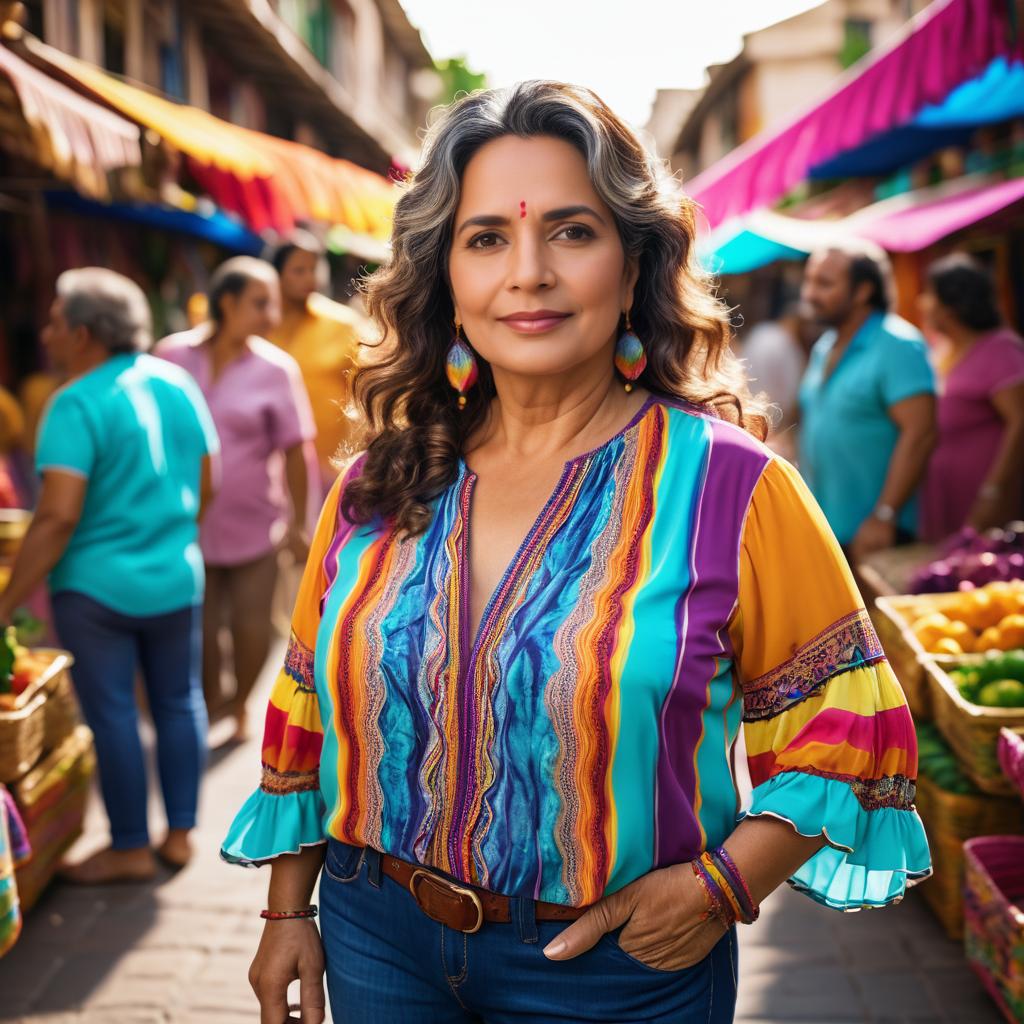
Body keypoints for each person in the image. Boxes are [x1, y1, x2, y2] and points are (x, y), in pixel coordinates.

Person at [223, 82, 930, 1024]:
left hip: (616, 967)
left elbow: (847, 724)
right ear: (445, 279)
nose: (528, 274)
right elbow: (308, 700)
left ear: (635, 266)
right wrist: (288, 906)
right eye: (486, 239)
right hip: (373, 938)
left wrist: (717, 888)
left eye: (571, 232)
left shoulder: (736, 489)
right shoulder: (374, 489)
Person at [0, 268, 219, 883]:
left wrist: (9, 598)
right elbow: (209, 483)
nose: (45, 334)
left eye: (54, 322)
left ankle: (127, 846)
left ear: (85, 332)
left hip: (96, 589)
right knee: (179, 703)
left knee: (115, 713)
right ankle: (179, 836)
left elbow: (57, 515)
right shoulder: (175, 382)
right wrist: (166, 536)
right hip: (176, 575)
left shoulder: (73, 402)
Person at [157, 258, 316, 744]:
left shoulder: (276, 369)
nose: (272, 314)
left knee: (254, 629)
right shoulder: (170, 356)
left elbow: (297, 451)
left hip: (256, 522)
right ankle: (208, 708)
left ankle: (241, 701)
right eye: (260, 302)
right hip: (184, 523)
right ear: (226, 303)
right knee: (198, 633)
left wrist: (299, 523)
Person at [799, 243, 937, 562]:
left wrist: (885, 515)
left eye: (825, 284)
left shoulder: (898, 344)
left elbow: (921, 433)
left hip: (879, 534)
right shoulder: (826, 344)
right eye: (809, 281)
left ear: (862, 291)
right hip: (828, 531)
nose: (810, 293)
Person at [918, 253, 1024, 541]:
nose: (922, 304)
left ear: (950, 306)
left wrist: (994, 491)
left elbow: (1020, 423)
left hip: (985, 493)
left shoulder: (1001, 349)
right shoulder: (942, 349)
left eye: (929, 295)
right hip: (944, 492)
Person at [266, 231, 369, 488]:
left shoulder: (342, 325)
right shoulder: (261, 327)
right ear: (275, 275)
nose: (309, 278)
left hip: (329, 467)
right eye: (298, 270)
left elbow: (366, 393)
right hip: (266, 466)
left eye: (313, 269)